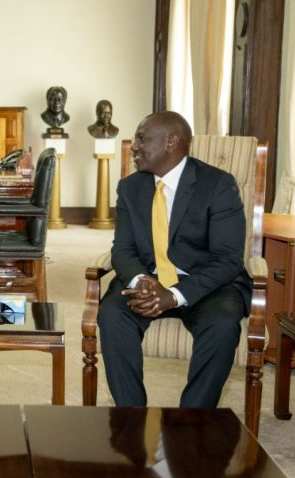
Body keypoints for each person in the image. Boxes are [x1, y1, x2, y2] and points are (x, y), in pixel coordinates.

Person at [98, 111, 250, 409]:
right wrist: (140, 280)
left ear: (171, 142)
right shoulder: (130, 187)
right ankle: (132, 417)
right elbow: (123, 250)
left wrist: (175, 295)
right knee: (112, 315)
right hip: (149, 279)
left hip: (207, 285)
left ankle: (191, 421)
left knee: (222, 325)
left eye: (142, 138)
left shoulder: (218, 185)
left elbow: (227, 259)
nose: (133, 146)